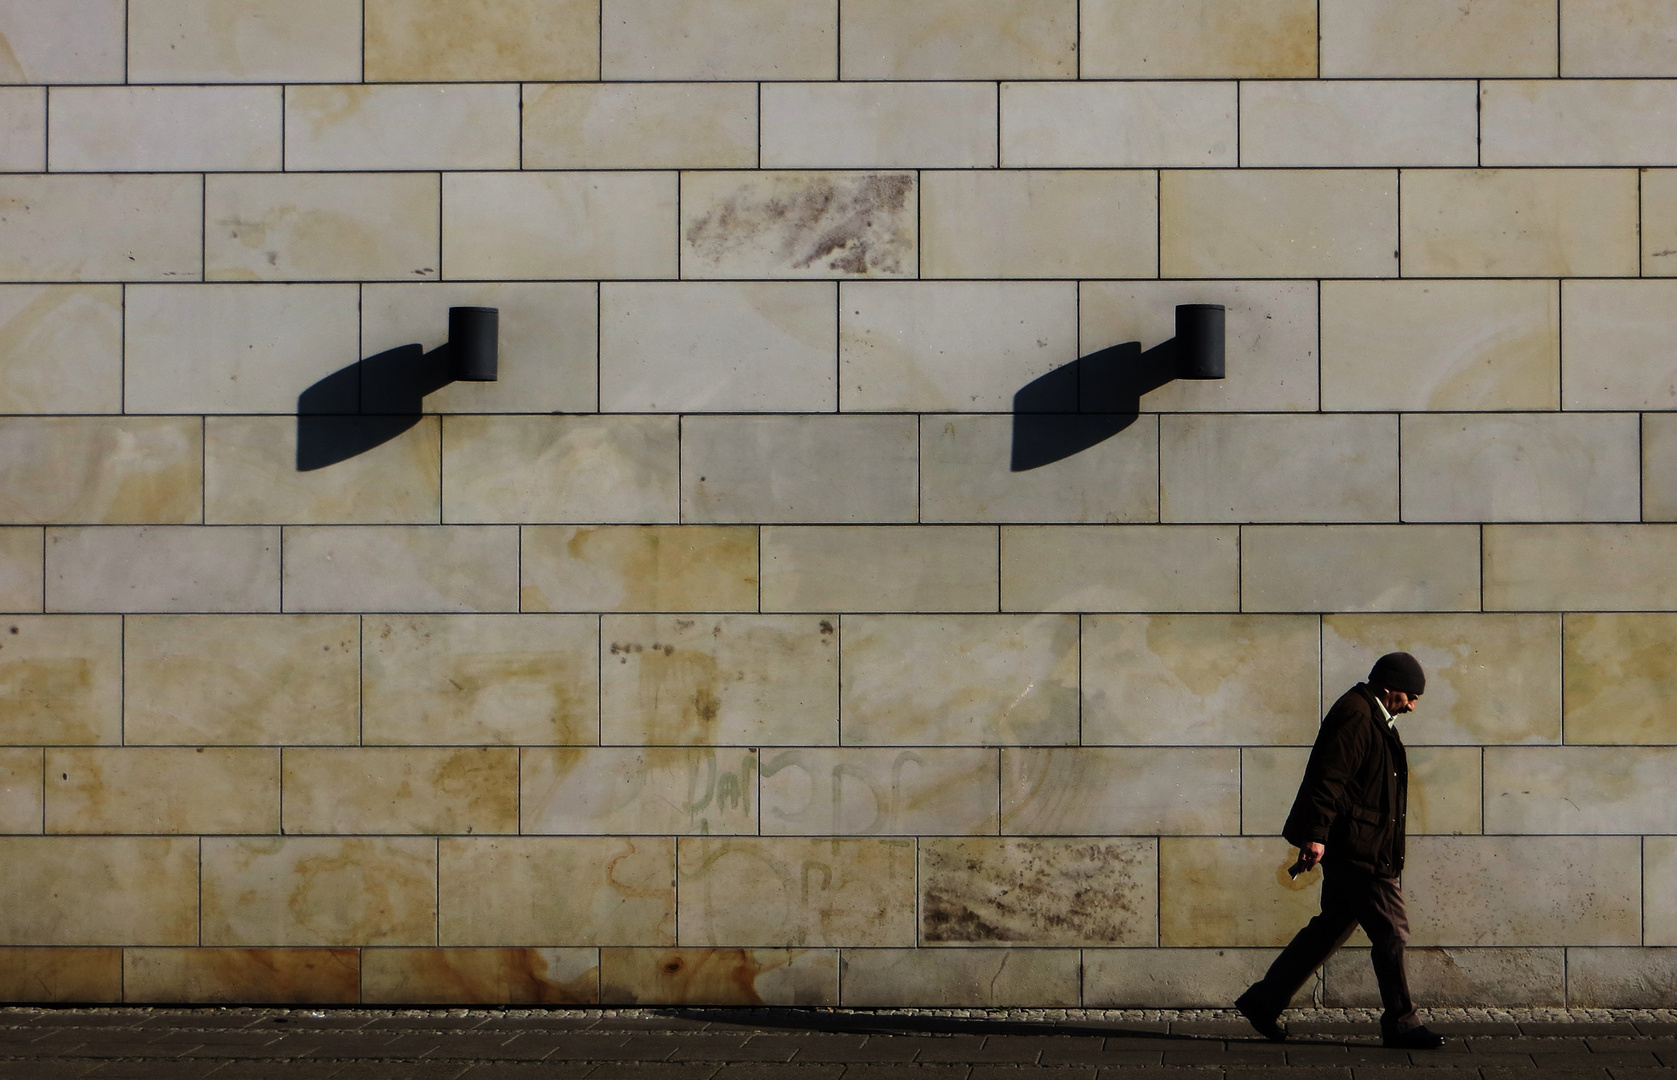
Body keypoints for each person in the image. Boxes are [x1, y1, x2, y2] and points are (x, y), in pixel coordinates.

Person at [1234, 652, 1448, 1050]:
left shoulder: (1373, 714)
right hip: (1358, 846)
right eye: (1410, 696)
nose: (1414, 706)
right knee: (1392, 931)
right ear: (1388, 689)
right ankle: (1401, 1022)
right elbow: (1327, 777)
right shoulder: (1357, 714)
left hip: (1362, 840)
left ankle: (1264, 1001)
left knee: (1329, 929)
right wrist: (1315, 834)